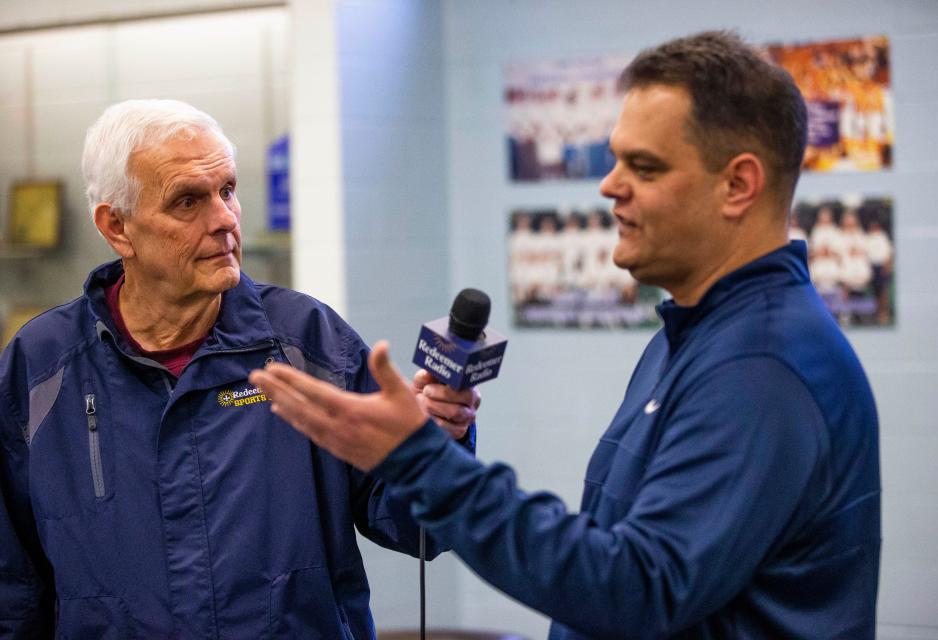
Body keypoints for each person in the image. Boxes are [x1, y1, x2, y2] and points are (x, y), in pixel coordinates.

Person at [251, 31, 881, 639]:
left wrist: (422, 459)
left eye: (644, 166)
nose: (609, 186)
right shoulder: (691, 337)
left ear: (738, 185)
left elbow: (636, 589)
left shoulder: (760, 366)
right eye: (614, 160)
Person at [0, 99, 479, 638]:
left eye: (227, 190)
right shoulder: (41, 366)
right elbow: (12, 588)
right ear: (118, 227)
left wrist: (436, 444)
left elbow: (416, 527)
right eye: (187, 201)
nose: (225, 219)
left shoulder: (310, 344)